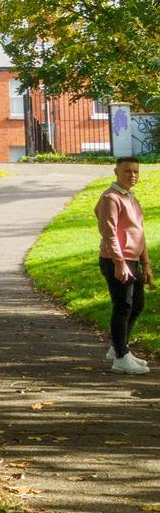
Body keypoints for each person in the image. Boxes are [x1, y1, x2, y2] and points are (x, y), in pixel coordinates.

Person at [95, 155, 153, 374]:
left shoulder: (131, 198)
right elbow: (109, 233)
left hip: (133, 259)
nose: (133, 175)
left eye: (136, 171)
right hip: (115, 259)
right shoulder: (110, 198)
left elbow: (140, 233)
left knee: (137, 304)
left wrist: (146, 264)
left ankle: (119, 347)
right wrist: (120, 263)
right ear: (116, 172)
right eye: (128, 171)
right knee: (123, 306)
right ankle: (120, 357)